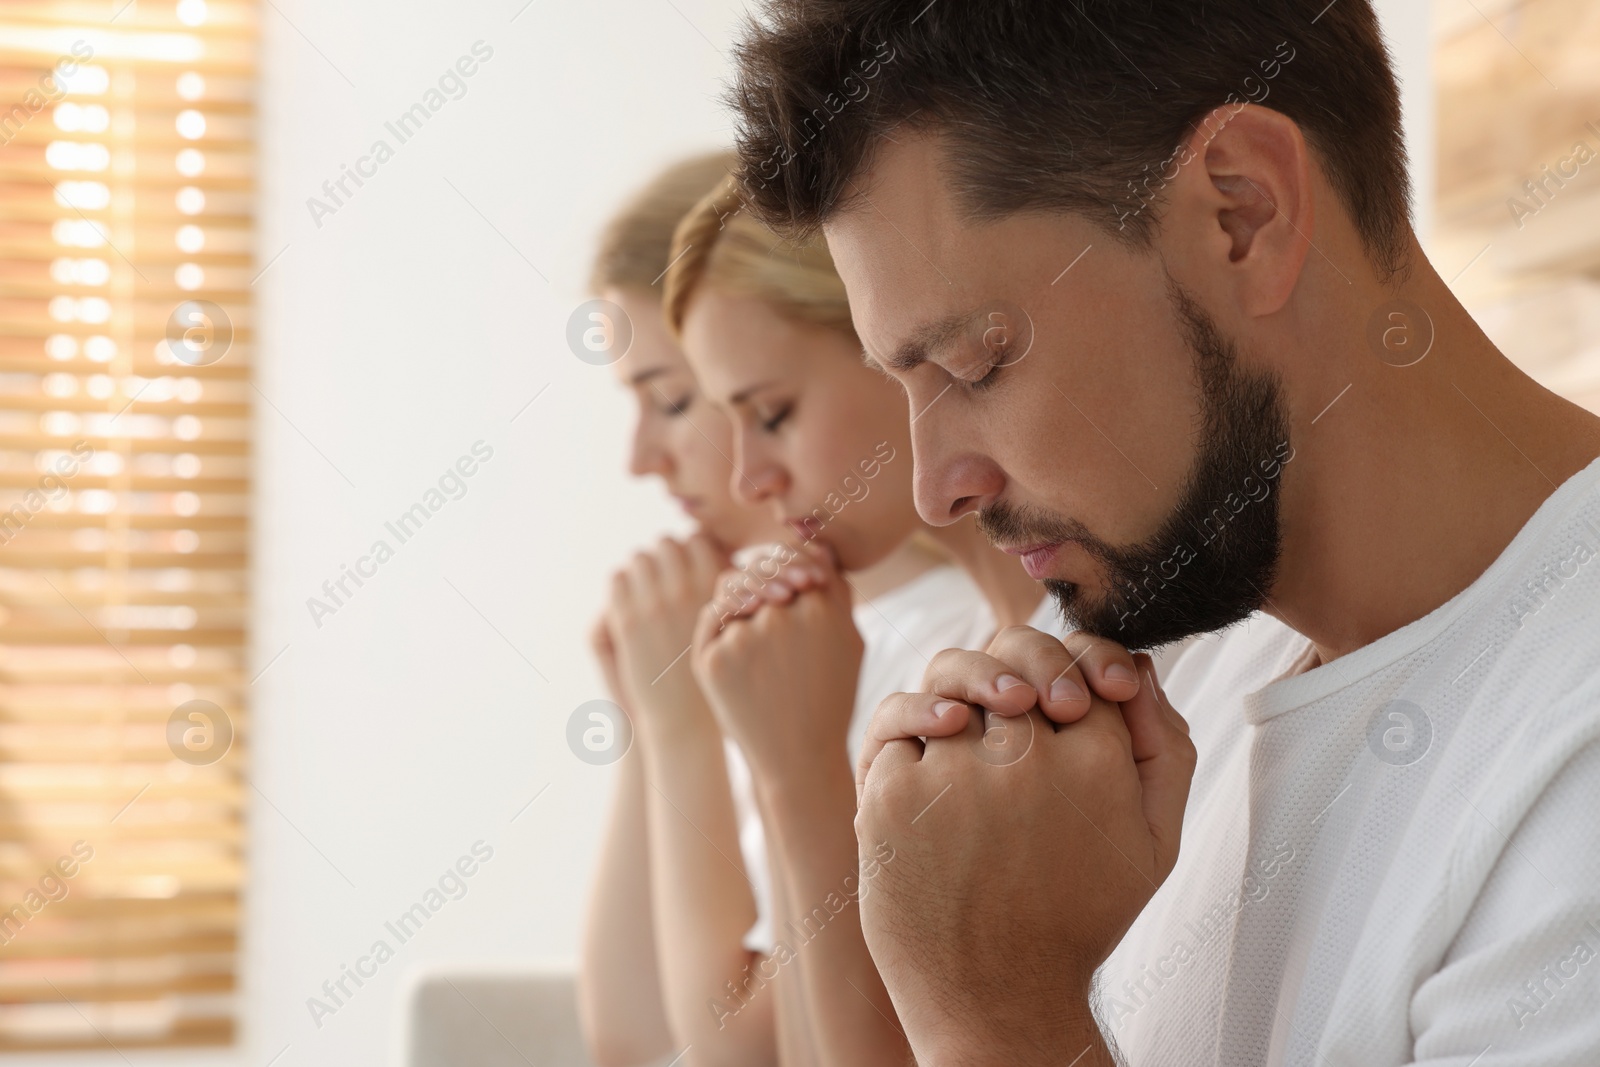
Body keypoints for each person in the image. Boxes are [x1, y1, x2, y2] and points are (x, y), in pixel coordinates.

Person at [722, 1, 1600, 1065]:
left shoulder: (1568, 767)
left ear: (1242, 210)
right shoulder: (1168, 664)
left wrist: (996, 1013)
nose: (934, 488)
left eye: (974, 365)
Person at [576, 154, 1004, 1067]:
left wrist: (685, 727)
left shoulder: (933, 646)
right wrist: (657, 732)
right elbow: (629, 1038)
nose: (647, 457)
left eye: (674, 399)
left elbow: (734, 1048)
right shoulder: (808, 650)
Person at [662, 174, 1087, 1065]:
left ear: (888, 339)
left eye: (772, 414)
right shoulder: (971, 644)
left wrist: (800, 772)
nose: (750, 480)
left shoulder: (1045, 676)